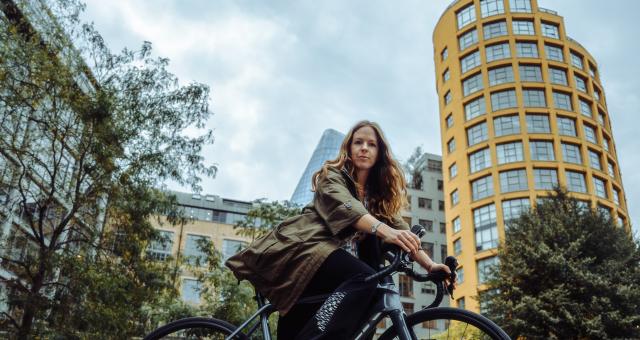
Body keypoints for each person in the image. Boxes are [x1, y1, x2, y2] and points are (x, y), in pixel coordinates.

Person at [226, 120, 452, 339]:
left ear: (380, 153)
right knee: (366, 278)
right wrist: (385, 231)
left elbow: (403, 232)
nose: (364, 148)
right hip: (308, 255)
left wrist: (430, 265)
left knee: (369, 294)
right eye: (358, 142)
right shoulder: (332, 177)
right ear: (349, 148)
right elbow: (348, 208)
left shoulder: (377, 196)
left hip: (339, 276)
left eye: (371, 144)